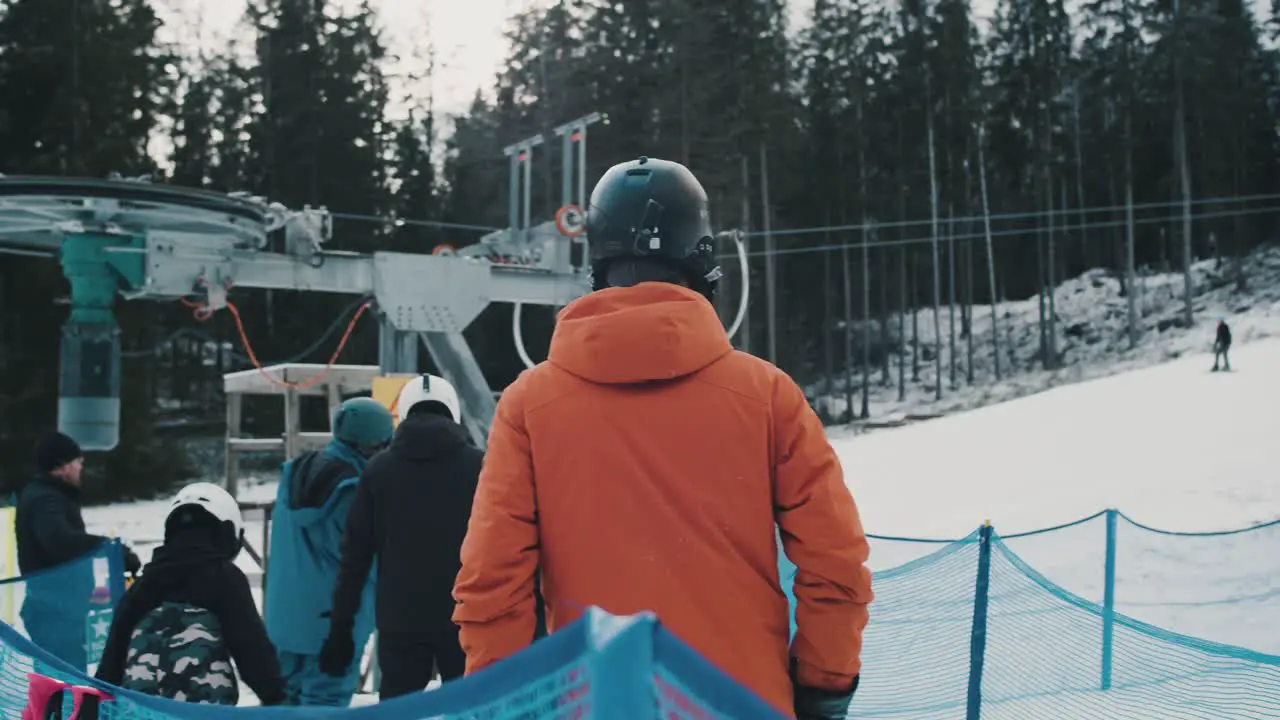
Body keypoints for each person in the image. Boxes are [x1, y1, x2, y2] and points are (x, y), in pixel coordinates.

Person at [452, 156, 873, 720]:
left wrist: (501, 702)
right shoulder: (766, 396)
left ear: (597, 259)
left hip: (595, 704)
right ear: (701, 255)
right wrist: (823, 686)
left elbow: (491, 581)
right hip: (741, 704)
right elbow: (834, 561)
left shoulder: (530, 406)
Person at [322, 374, 482, 700]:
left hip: (400, 619)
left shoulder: (378, 470)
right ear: (453, 411)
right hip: (467, 614)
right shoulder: (481, 466)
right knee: (472, 708)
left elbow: (355, 557)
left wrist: (341, 629)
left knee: (397, 711)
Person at [88, 483, 285, 711]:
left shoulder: (144, 585)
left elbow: (110, 668)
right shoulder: (223, 578)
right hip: (202, 712)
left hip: (143, 712)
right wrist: (281, 700)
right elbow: (253, 656)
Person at [263, 397, 392, 707]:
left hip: (283, 620)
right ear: (373, 445)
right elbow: (374, 563)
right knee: (326, 704)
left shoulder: (294, 474)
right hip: (334, 627)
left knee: (284, 706)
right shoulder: (353, 494)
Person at [15, 432, 141, 671]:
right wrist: (111, 550)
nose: (81, 467)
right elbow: (59, 541)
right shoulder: (45, 499)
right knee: (63, 683)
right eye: (77, 462)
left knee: (64, 683)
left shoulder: (50, 495)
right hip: (55, 613)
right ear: (61, 466)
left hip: (61, 609)